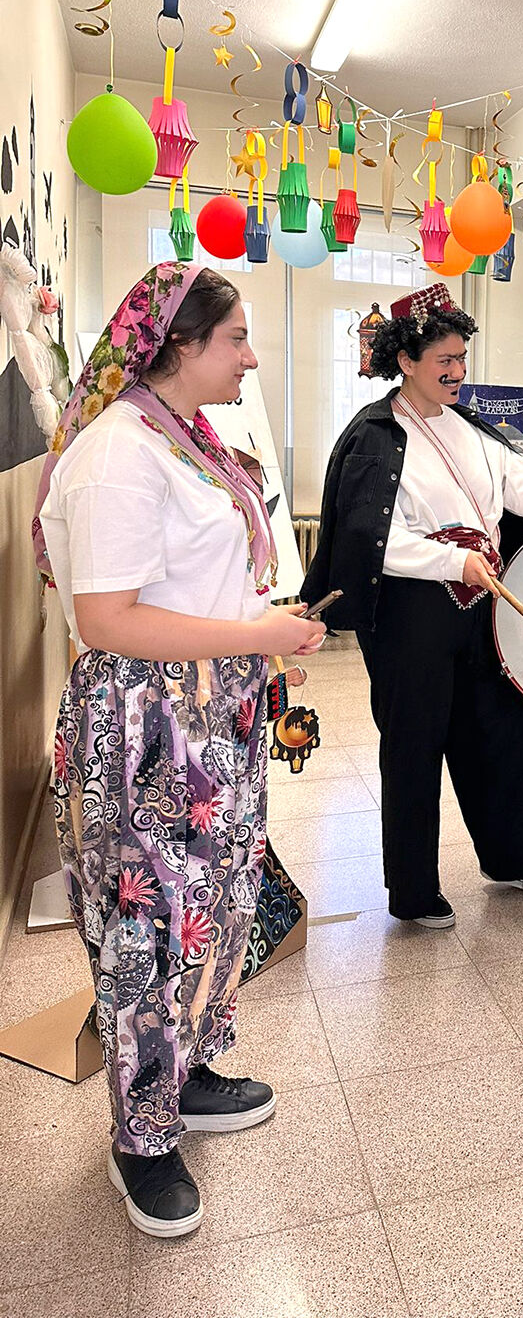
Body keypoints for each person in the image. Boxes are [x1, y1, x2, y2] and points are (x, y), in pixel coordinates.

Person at [33, 264, 325, 1238]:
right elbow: (110, 619)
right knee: (146, 934)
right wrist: (256, 637)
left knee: (212, 910)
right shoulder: (120, 453)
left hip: (211, 717)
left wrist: (264, 621)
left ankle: (186, 1071)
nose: (249, 356)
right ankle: (139, 1141)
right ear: (181, 347)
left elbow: (193, 588)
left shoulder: (187, 442)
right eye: (236, 338)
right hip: (144, 729)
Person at [303, 284, 523, 929]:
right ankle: (413, 891)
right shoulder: (374, 436)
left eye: (461, 358)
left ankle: (521, 857)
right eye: (443, 358)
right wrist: (451, 560)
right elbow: (372, 540)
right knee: (415, 744)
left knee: (508, 725)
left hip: (482, 605)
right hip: (412, 614)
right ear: (406, 360)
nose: (457, 371)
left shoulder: (472, 429)